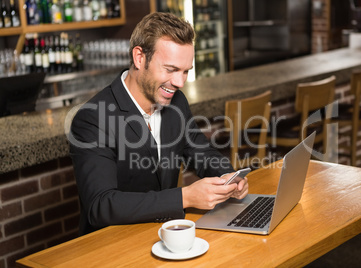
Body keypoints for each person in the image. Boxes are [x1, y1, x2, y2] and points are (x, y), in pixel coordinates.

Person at [68, 12, 248, 235]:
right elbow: (101, 206)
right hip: (111, 243)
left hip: (165, 234)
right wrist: (186, 196)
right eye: (171, 70)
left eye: (185, 72)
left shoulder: (176, 101)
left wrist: (229, 178)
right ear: (139, 58)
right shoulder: (92, 118)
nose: (179, 82)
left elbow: (200, 150)